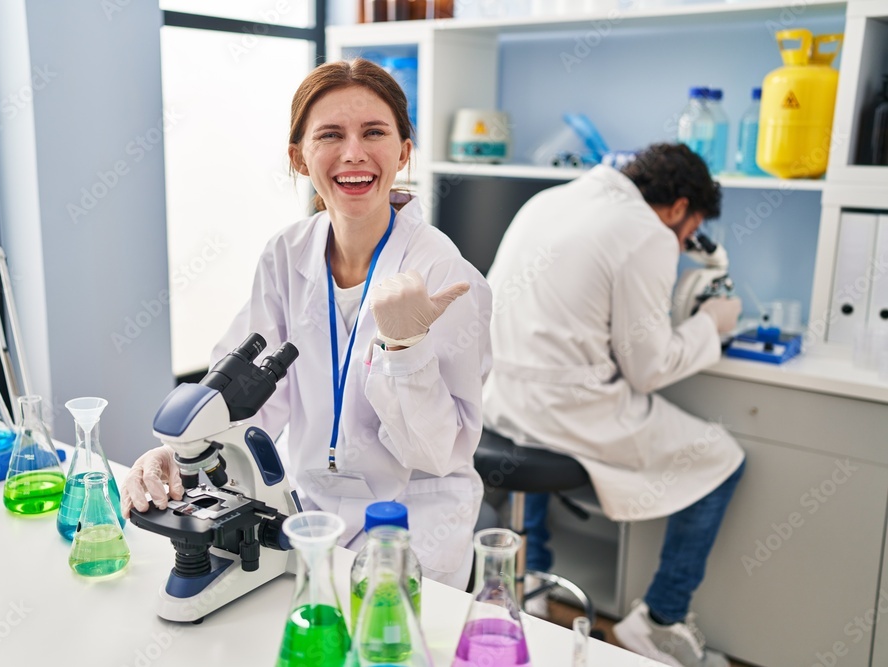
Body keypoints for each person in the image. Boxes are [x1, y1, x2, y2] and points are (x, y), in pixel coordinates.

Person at [122, 59, 492, 589]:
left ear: (404, 151)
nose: (354, 153)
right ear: (299, 157)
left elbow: (437, 453)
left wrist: (406, 349)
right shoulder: (285, 254)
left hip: (413, 523)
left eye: (374, 132)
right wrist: (181, 454)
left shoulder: (446, 277)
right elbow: (252, 396)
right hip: (310, 514)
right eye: (330, 135)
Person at [482, 143, 745, 667]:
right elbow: (649, 369)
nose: (688, 240)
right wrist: (710, 324)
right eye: (689, 228)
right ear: (678, 208)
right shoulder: (648, 234)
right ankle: (660, 620)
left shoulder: (552, 199)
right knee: (722, 458)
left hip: (498, 400)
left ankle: (531, 584)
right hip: (565, 411)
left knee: (533, 439)